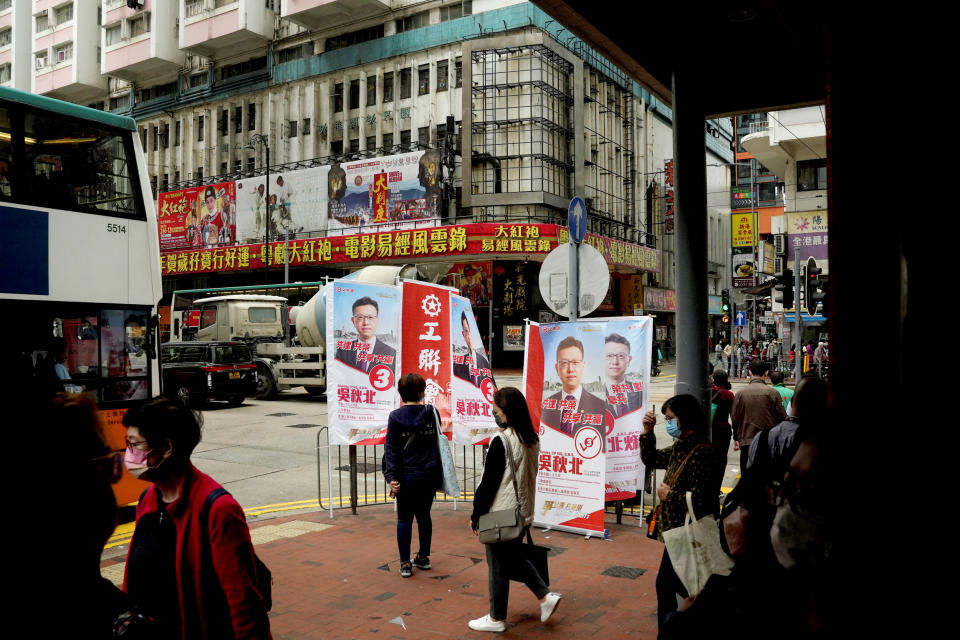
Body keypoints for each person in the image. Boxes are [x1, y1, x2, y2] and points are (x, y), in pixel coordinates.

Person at [122, 397, 271, 639]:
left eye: (134, 445)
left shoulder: (218, 510)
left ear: (167, 448)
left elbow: (243, 602)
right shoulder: (147, 499)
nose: (129, 456)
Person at [469, 387, 561, 632]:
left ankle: (497, 618)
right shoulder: (530, 438)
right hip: (522, 512)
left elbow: (489, 484)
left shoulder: (503, 440)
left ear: (507, 413)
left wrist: (476, 515)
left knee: (499, 564)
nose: (493, 413)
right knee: (511, 559)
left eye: (496, 410)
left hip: (501, 514)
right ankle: (544, 597)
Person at [640, 394, 719, 631]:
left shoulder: (701, 451)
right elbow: (651, 458)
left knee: (667, 585)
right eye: (666, 418)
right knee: (679, 585)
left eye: (671, 418)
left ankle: (671, 631)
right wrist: (647, 432)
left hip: (688, 532)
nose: (669, 423)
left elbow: (703, 498)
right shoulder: (681, 446)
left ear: (684, 418)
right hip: (677, 532)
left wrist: (668, 496)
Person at [382, 373, 442, 578]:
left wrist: (391, 478)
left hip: (406, 477)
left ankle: (405, 563)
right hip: (429, 475)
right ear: (421, 391)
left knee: (404, 519)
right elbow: (438, 445)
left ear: (401, 393)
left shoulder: (396, 417)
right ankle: (423, 557)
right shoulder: (432, 413)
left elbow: (391, 450)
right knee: (424, 516)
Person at [539, 336, 607, 437]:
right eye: (564, 363)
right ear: (557, 368)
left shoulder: (601, 406)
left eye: (575, 362)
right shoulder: (546, 406)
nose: (570, 369)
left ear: (583, 366)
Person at [731, 360, 786, 470]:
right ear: (766, 373)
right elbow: (782, 417)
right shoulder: (773, 393)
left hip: (746, 441)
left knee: (747, 480)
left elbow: (735, 418)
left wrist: (736, 438)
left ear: (749, 372)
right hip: (768, 442)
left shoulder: (740, 394)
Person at [334, 296, 397, 374]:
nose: (366, 322)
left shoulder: (391, 353)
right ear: (353, 321)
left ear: (377, 321)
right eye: (360, 317)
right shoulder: (342, 351)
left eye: (370, 317)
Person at [604, 333, 643, 417]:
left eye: (621, 356)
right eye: (609, 356)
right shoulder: (592, 396)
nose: (615, 362)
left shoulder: (639, 392)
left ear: (629, 360)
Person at [453, 311, 492, 388]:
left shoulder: (484, 363)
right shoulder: (457, 365)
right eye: (466, 331)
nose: (468, 336)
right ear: (463, 334)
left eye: (470, 331)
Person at [710, 369, 735, 489]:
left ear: (713, 379)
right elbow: (733, 415)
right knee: (721, 460)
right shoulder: (728, 395)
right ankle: (717, 487)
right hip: (723, 431)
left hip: (708, 430)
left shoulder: (707, 391)